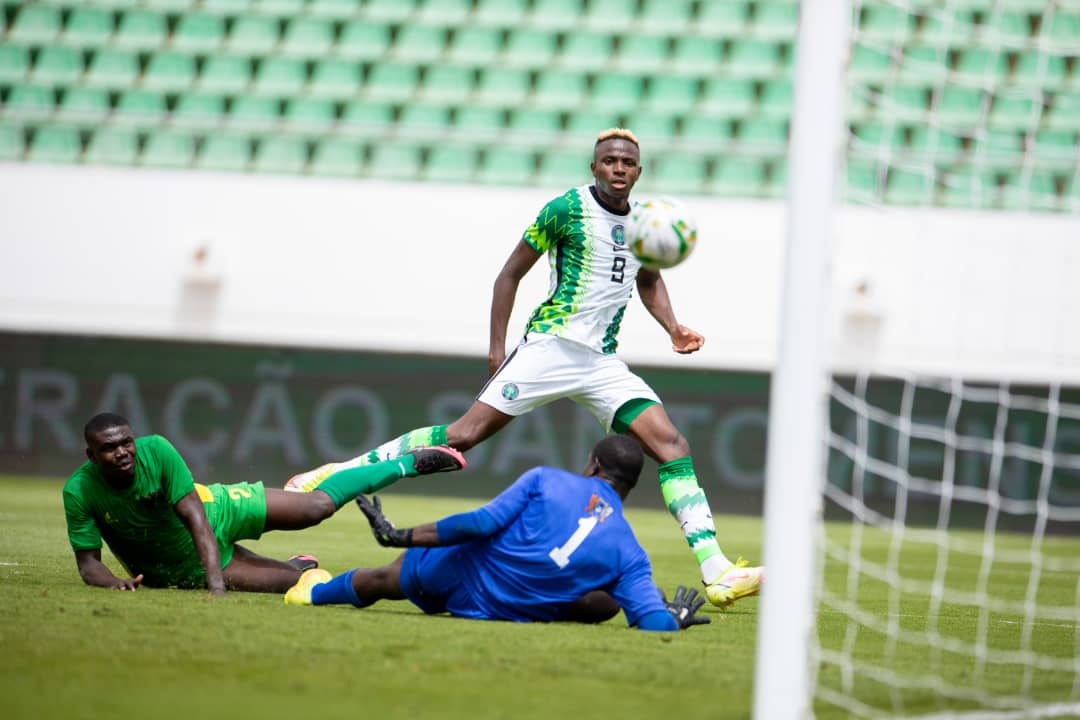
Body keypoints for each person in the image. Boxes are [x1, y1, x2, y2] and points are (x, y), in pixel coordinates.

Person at [286, 128, 762, 608]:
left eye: (628, 163)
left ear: (639, 170)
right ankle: (338, 473)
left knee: (672, 445)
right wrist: (499, 350)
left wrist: (673, 328)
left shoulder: (643, 221)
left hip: (601, 360)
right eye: (610, 161)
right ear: (594, 167)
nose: (619, 169)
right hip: (551, 346)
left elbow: (649, 279)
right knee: (462, 437)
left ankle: (716, 570)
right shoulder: (564, 210)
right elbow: (509, 274)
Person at [285, 436, 710, 632]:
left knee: (385, 578)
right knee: (608, 601)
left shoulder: (546, 479)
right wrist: (671, 618)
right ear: (630, 487)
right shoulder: (631, 552)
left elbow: (481, 523)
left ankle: (312, 592)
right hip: (507, 609)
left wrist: (403, 536)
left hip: (455, 574)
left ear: (594, 466)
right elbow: (654, 623)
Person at [62, 412, 465, 595]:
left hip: (216, 510)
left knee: (315, 508)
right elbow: (88, 564)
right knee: (299, 584)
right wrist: (116, 583)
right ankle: (297, 563)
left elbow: (196, 519)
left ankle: (406, 463)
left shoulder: (158, 452)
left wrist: (216, 588)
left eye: (125, 442)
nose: (121, 452)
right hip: (179, 566)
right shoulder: (79, 492)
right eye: (109, 448)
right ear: (90, 456)